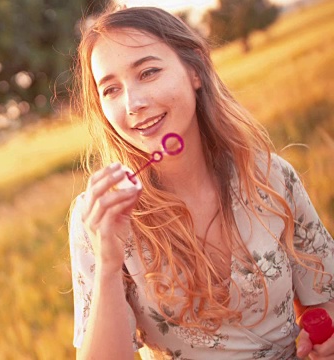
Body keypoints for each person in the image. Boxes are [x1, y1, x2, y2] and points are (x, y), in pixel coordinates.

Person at [67, 5, 334, 360]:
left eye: (148, 72)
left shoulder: (271, 178)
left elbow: (323, 303)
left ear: (194, 70)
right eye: (111, 89)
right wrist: (108, 263)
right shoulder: (98, 217)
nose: (133, 103)